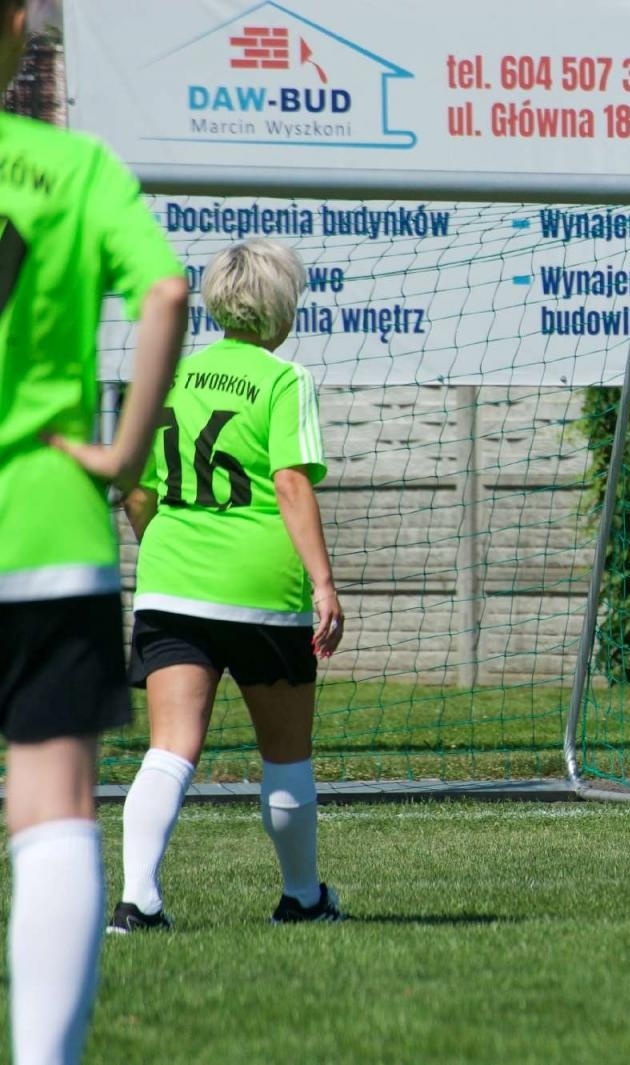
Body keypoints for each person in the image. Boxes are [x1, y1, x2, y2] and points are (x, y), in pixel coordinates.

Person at [0, 1, 189, 1059]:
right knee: (54, 801)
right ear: (20, 26)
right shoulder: (71, 167)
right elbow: (164, 289)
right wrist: (122, 455)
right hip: (43, 523)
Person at [108, 238, 345, 932]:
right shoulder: (284, 380)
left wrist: (168, 548)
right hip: (261, 589)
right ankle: (302, 897)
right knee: (286, 754)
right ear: (279, 307)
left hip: (171, 584)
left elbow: (135, 488)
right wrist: (324, 584)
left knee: (169, 748)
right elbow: (291, 481)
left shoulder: (172, 375)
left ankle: (138, 901)